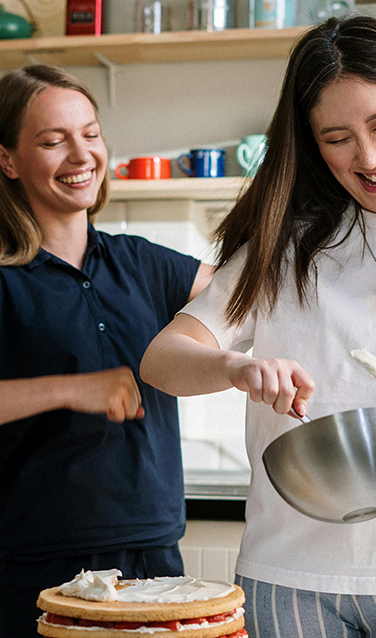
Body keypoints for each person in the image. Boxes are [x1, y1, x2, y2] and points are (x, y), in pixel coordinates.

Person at [140, 14, 376, 638]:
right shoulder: (283, 249)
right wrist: (233, 367)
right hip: (290, 573)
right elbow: (162, 360)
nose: (369, 158)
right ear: (309, 143)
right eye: (337, 137)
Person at [0, 64, 212, 638]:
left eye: (90, 134)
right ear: (8, 160)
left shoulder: (143, 262)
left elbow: (253, 297)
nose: (81, 154)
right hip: (34, 570)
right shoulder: (5, 277)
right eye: (53, 140)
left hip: (154, 560)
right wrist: (76, 388)